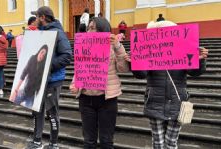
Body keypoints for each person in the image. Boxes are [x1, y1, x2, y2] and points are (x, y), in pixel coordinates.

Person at [124, 20, 209, 149]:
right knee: (158, 143)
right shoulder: (150, 51)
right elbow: (141, 74)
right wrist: (134, 63)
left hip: (177, 103)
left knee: (171, 142)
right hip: (155, 102)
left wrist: (200, 60)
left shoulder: (183, 50)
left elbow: (194, 72)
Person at [70, 17, 130, 149]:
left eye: (93, 28)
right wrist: (74, 84)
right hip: (86, 100)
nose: (89, 31)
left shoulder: (113, 47)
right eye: (88, 28)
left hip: (107, 101)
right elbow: (79, 69)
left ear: (103, 29)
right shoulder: (84, 46)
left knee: (106, 141)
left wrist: (118, 47)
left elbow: (124, 69)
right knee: (89, 141)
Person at [26, 6, 72, 149]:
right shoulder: (40, 33)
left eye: (37, 17)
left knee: (52, 113)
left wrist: (48, 66)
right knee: (37, 111)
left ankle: (53, 143)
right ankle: (37, 140)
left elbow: (67, 56)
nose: (35, 21)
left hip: (53, 80)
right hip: (38, 80)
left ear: (43, 18)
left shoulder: (58, 33)